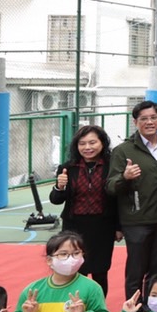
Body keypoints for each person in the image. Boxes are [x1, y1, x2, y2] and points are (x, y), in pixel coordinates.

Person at [108, 100, 157, 299]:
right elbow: (110, 186)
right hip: (136, 221)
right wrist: (125, 177)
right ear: (135, 122)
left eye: (153, 118)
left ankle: (153, 307)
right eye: (144, 119)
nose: (149, 122)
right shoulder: (123, 151)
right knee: (136, 270)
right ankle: (133, 310)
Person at [50, 125, 121, 295]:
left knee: (100, 271)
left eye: (92, 142)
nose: (87, 147)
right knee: (74, 269)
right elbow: (56, 200)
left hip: (103, 227)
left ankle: (98, 306)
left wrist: (119, 227)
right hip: (73, 227)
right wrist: (60, 186)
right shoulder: (68, 168)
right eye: (82, 143)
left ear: (102, 143)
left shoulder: (112, 166)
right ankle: (74, 304)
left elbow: (119, 199)